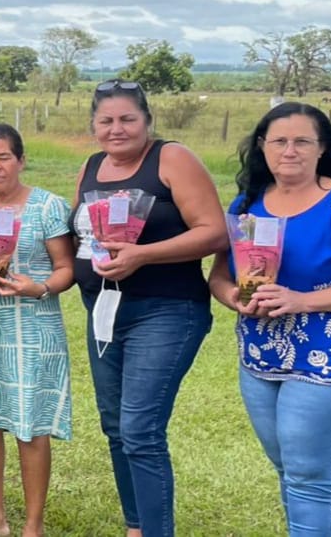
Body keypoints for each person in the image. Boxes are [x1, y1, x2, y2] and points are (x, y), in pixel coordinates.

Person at [207, 103, 331, 537]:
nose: (289, 151)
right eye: (278, 141)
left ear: (322, 148)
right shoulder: (248, 203)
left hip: (328, 364)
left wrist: (301, 300)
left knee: (310, 479)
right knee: (289, 470)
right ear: (262, 147)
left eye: (302, 141)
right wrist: (234, 297)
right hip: (261, 360)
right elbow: (220, 276)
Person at [71, 80, 227, 537]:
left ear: (147, 121)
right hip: (102, 310)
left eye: (127, 119)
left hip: (165, 311)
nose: (116, 129)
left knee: (140, 428)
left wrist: (143, 255)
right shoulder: (92, 166)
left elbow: (215, 232)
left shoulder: (171, 159)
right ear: (94, 126)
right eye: (106, 121)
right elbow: (82, 233)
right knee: (115, 425)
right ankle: (136, 526)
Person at [0, 123, 77, 537]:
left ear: (21, 160)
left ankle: (32, 525)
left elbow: (66, 269)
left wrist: (39, 287)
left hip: (34, 327)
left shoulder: (47, 206)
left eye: (4, 157)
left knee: (31, 424)